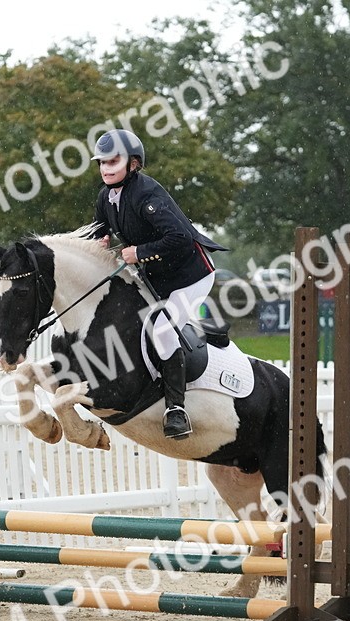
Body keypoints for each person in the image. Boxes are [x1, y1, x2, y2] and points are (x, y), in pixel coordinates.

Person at [88, 129, 226, 439]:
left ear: (133, 164)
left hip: (191, 276)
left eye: (114, 162)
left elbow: (179, 238)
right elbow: (99, 231)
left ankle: (176, 409)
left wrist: (138, 252)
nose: (106, 169)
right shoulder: (105, 197)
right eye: (102, 163)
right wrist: (101, 241)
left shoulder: (147, 194)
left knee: (163, 330)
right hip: (157, 276)